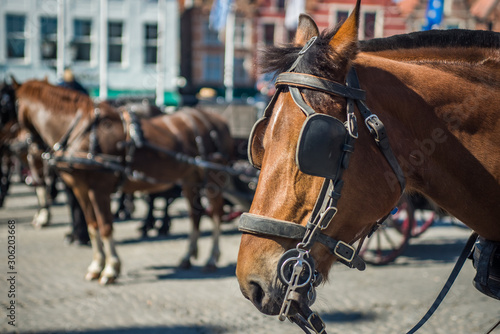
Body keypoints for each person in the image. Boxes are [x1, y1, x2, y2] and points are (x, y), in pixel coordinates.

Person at [57, 68, 90, 245]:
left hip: (77, 144)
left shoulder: (76, 90)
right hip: (69, 143)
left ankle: (81, 230)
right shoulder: (70, 89)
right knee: (72, 195)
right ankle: (78, 229)